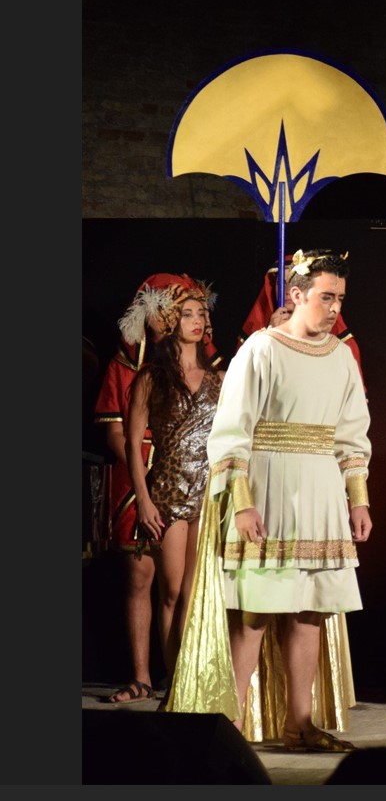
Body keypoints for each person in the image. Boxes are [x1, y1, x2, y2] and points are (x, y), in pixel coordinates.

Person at [166, 249, 371, 753]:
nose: (334, 309)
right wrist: (241, 502)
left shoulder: (341, 357)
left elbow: (352, 434)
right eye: (326, 297)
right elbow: (231, 431)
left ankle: (299, 723)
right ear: (297, 295)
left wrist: (358, 499)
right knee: (255, 613)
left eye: (340, 299)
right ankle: (230, 729)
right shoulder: (262, 349)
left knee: (310, 612)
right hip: (269, 488)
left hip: (321, 493)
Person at [94, 273, 223, 705]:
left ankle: (189, 681)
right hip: (161, 487)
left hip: (205, 492)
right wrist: (146, 493)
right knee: (159, 585)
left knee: (194, 592)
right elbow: (124, 439)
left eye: (199, 313)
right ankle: (155, 679)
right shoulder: (143, 374)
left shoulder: (218, 376)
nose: (194, 320)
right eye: (184, 313)